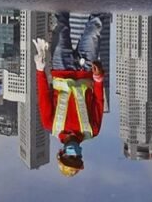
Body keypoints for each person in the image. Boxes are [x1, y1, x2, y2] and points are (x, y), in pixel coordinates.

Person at [34, 12, 107, 177]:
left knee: (61, 25)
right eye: (77, 157)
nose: (74, 154)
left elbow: (44, 96)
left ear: (61, 152)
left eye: (70, 157)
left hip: (61, 67)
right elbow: (98, 102)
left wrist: (40, 70)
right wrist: (98, 78)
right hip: (86, 70)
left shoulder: (51, 125)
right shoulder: (92, 130)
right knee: (95, 27)